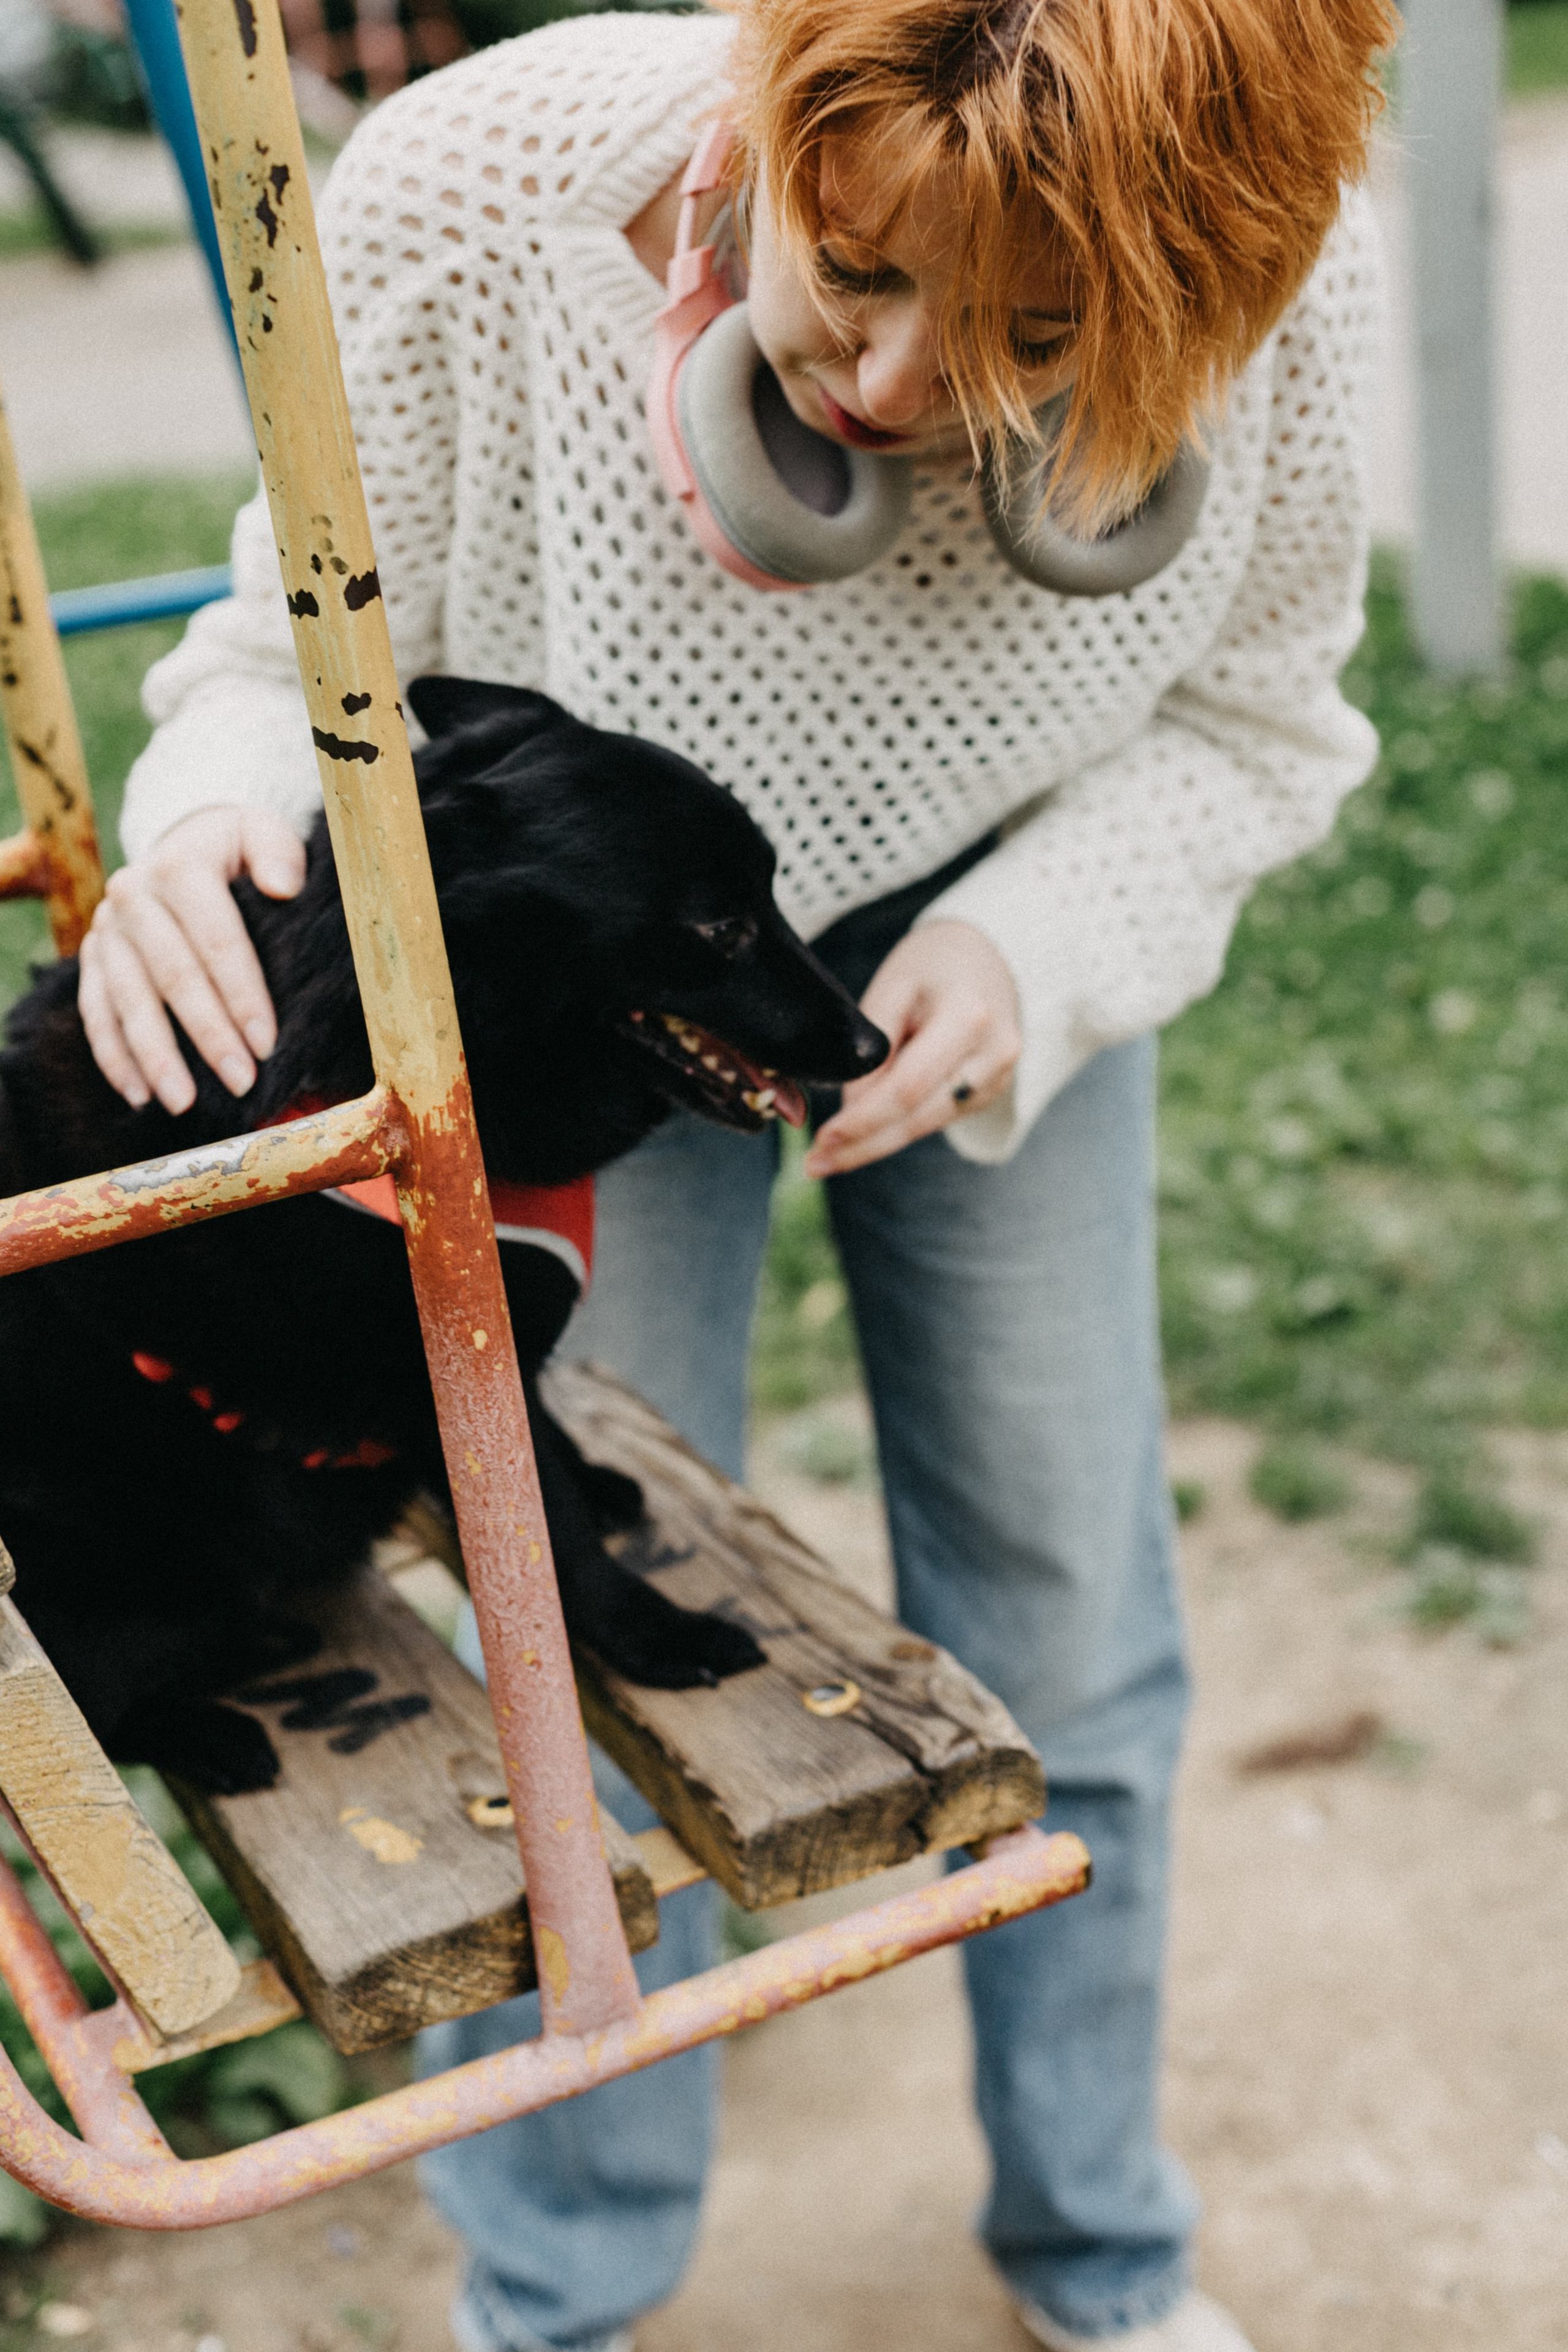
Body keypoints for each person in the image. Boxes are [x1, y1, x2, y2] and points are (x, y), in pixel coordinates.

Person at [82, 0, 1393, 2341]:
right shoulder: (466, 202)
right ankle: (558, 2294)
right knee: (559, 1647)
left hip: (1014, 918)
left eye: (1038, 334)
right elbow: (277, 661)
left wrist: (1036, 943)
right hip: (585, 991)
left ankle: (1099, 2242)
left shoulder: (1300, 292)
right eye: (855, 270)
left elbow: (1263, 717)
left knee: (1070, 1609)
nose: (893, 386)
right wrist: (198, 828)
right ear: (772, 117)